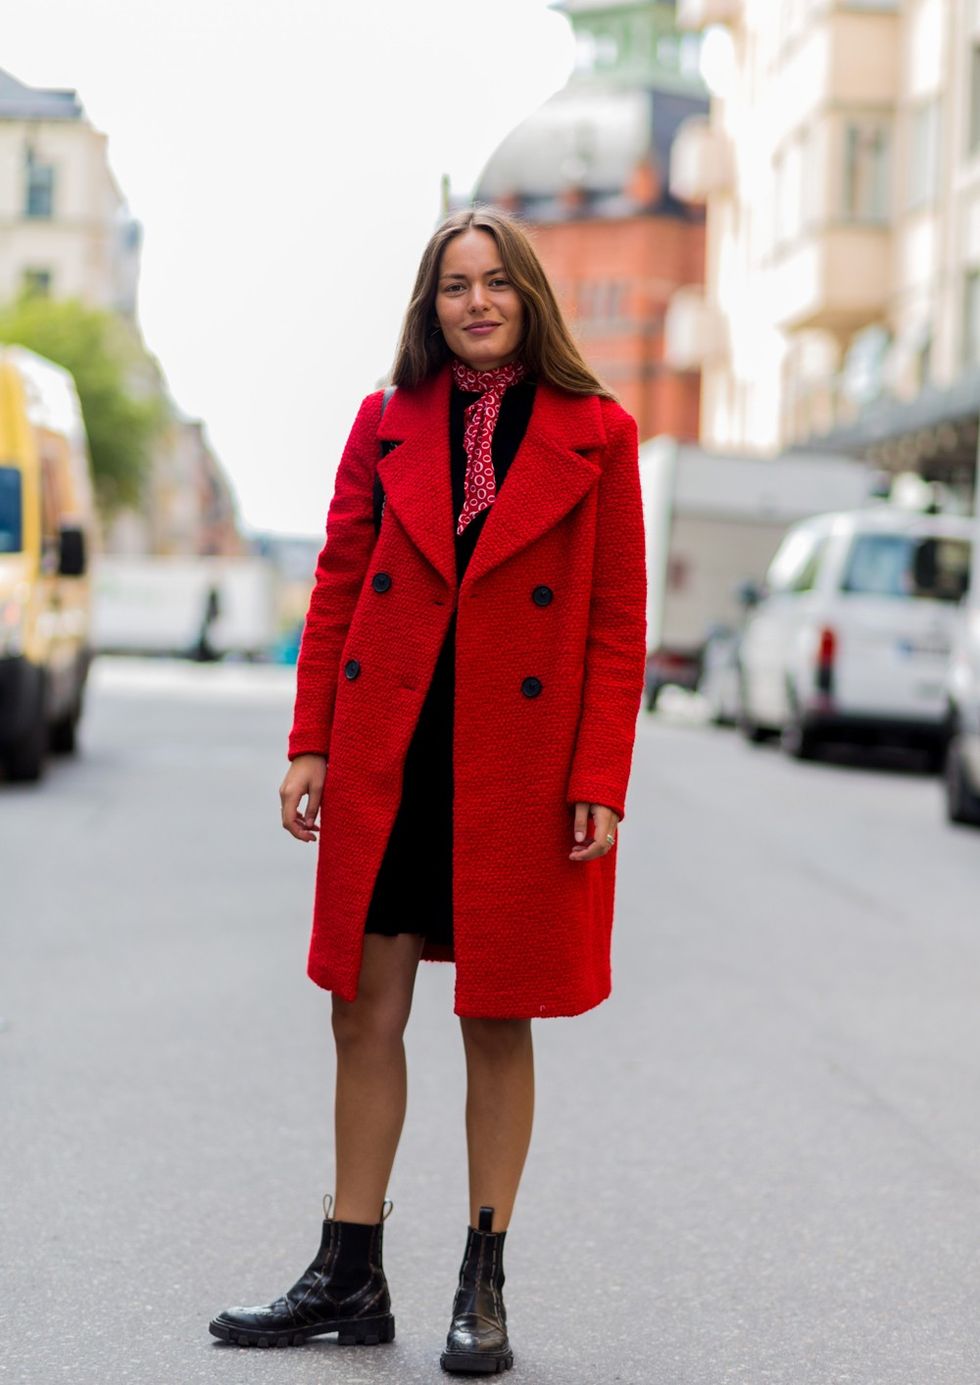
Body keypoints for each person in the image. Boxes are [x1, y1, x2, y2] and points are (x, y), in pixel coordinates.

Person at [209, 207, 647, 1373]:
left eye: (496, 282)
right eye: (454, 285)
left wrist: (600, 772)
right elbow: (338, 582)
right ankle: (348, 1269)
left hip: (519, 762)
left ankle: (482, 1279)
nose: (476, 302)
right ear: (429, 304)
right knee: (363, 1006)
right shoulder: (384, 422)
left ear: (530, 296)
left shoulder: (599, 435)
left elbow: (613, 622)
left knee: (495, 1013)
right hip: (391, 747)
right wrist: (310, 738)